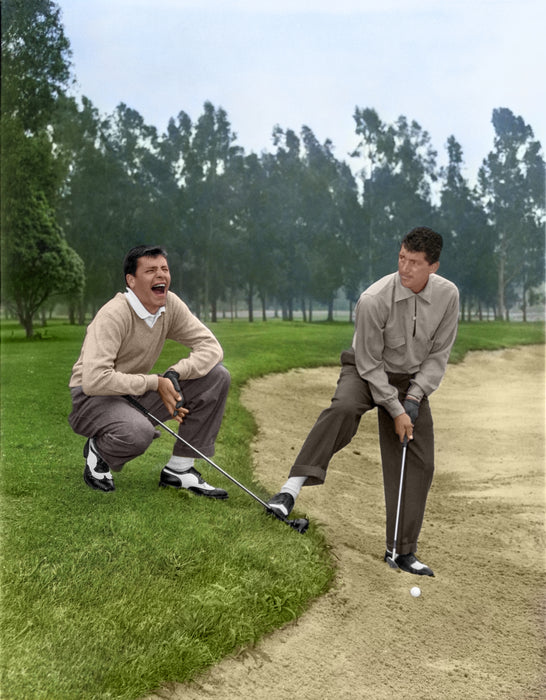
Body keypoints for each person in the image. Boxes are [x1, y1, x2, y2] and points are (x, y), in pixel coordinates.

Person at [267, 227, 459, 576]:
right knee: (343, 408)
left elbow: (438, 355)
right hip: (365, 370)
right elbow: (369, 364)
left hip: (410, 381)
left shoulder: (449, 296)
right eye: (402, 257)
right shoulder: (373, 298)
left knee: (420, 458)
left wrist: (414, 397)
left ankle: (401, 552)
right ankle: (289, 491)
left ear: (434, 267)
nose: (404, 268)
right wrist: (396, 409)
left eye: (414, 263)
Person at [68, 244, 231, 498]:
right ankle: (99, 451)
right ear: (131, 280)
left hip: (131, 394)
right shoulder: (114, 314)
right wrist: (155, 382)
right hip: (92, 398)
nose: (161, 275)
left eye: (164, 269)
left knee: (217, 376)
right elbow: (94, 380)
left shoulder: (170, 305)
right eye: (151, 270)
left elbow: (211, 347)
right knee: (138, 433)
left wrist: (175, 374)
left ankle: (179, 470)